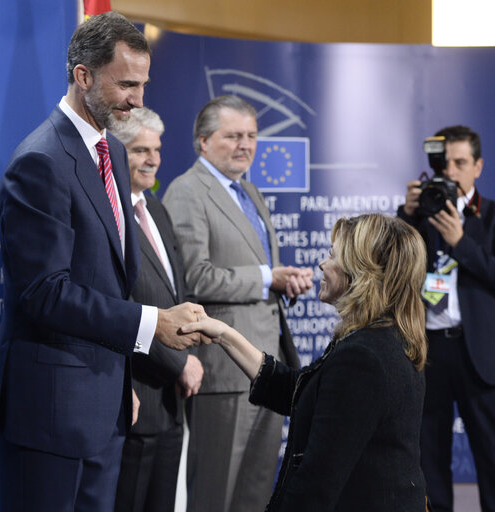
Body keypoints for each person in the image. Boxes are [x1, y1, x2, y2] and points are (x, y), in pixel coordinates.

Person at [0, 12, 206, 512]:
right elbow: (45, 292)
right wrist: (153, 323)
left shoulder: (114, 154)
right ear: (82, 76)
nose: (139, 99)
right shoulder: (40, 161)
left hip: (104, 407)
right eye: (126, 83)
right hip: (49, 414)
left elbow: (108, 280)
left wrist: (118, 382)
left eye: (144, 84)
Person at [181, 213, 428, 511]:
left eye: (332, 256)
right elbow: (300, 392)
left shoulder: (363, 358)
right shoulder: (382, 339)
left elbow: (316, 485)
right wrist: (224, 333)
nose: (323, 264)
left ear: (360, 272)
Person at [163, 95, 313, 512]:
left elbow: (256, 274)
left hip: (268, 365)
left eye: (251, 136)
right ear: (203, 141)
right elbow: (195, 276)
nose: (245, 145)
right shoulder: (187, 192)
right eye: (233, 136)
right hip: (224, 372)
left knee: (256, 491)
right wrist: (268, 278)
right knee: (216, 492)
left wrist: (284, 284)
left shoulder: (248, 190)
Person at [110, 107, 204, 512]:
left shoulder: (156, 209)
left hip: (170, 404)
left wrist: (190, 357)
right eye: (140, 150)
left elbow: (178, 294)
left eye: (157, 149)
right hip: (135, 398)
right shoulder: (109, 216)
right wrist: (177, 364)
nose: (152, 159)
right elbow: (118, 305)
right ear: (114, 152)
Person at [398, 125, 495, 512]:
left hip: (480, 358)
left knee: (491, 457)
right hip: (428, 352)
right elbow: (391, 266)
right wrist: (404, 216)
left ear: (478, 166)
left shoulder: (491, 217)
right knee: (428, 460)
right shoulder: (421, 214)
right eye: (444, 163)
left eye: (460, 162)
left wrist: (460, 244)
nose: (451, 172)